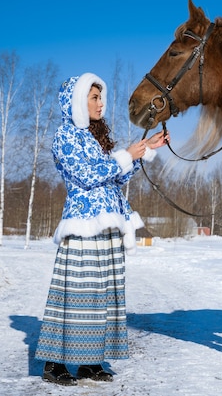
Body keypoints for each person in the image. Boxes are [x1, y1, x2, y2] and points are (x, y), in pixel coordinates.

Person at [34, 72, 168, 386]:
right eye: (93, 97)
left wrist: (146, 149)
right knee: (77, 293)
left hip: (108, 222)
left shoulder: (94, 137)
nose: (100, 103)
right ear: (78, 102)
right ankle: (55, 363)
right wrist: (126, 155)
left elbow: (115, 176)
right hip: (83, 225)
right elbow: (86, 175)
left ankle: (90, 362)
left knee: (102, 294)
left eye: (100, 97)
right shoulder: (65, 135)